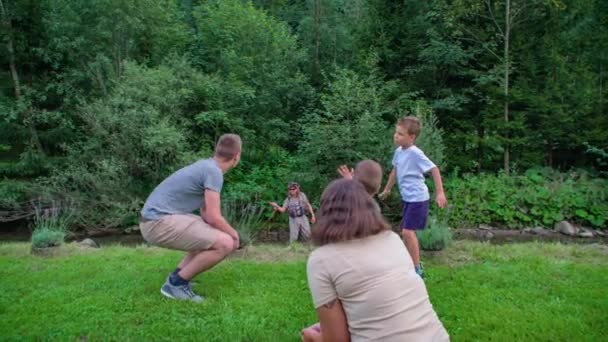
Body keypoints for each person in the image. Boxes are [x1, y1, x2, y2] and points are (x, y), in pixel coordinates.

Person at [301, 179, 449, 342]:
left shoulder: (321, 260)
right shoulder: (392, 239)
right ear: (370, 209)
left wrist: (311, 336)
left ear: (325, 214)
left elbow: (337, 340)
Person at [139, 134, 242, 302]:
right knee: (226, 243)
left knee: (209, 234)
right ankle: (176, 285)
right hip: (157, 222)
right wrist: (234, 235)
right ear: (236, 156)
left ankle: (176, 276)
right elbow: (215, 217)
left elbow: (207, 215)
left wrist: (220, 229)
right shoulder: (214, 172)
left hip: (153, 220)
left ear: (217, 151)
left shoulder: (206, 166)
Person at [379, 116, 447, 278]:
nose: (396, 136)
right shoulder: (398, 152)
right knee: (407, 232)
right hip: (408, 198)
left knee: (408, 232)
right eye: (396, 133)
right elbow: (395, 171)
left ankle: (417, 269)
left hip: (418, 198)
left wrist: (440, 192)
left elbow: (434, 169)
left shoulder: (416, 153)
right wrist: (387, 189)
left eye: (400, 134)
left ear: (412, 137)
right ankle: (410, 262)